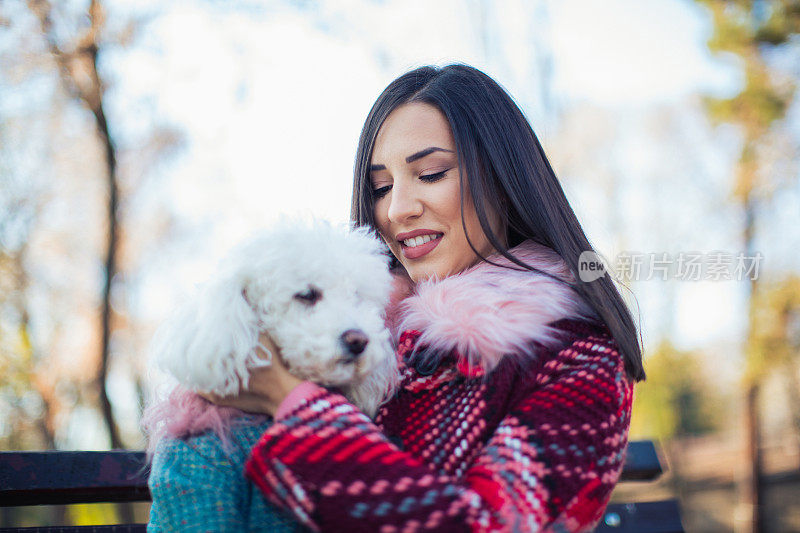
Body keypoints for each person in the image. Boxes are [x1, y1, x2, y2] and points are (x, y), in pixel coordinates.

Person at [152, 63, 645, 532]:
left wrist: (294, 403)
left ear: (503, 175)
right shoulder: (345, 334)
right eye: (381, 186)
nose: (398, 210)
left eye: (431, 174)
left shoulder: (581, 363)